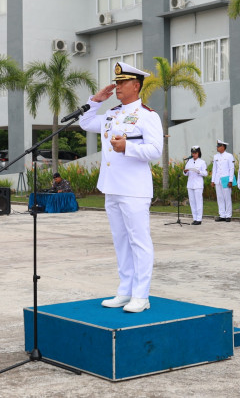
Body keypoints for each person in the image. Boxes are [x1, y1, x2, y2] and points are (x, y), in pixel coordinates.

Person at [79, 61, 163, 313]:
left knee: (139, 241)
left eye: (121, 83)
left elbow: (156, 150)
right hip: (112, 187)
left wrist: (128, 147)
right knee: (120, 241)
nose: (116, 87)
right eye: (115, 82)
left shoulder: (147, 115)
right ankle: (125, 290)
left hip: (134, 189)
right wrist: (95, 100)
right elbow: (85, 123)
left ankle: (142, 295)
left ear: (136, 85)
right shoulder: (113, 113)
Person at [211, 140, 235, 222]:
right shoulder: (216, 156)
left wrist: (231, 180)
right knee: (220, 198)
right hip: (218, 179)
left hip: (226, 179)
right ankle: (222, 215)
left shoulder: (229, 156)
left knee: (227, 198)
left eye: (219, 146)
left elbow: (231, 168)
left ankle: (228, 215)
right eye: (217, 146)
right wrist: (213, 180)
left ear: (223, 147)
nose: (217, 148)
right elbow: (214, 169)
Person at [183, 146, 208, 225]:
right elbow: (186, 174)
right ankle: (194, 218)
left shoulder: (202, 162)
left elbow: (206, 173)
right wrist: (185, 171)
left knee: (198, 202)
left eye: (195, 153)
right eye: (193, 153)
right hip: (190, 184)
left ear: (199, 153)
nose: (194, 154)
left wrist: (199, 172)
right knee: (192, 202)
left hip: (198, 184)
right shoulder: (189, 161)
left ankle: (199, 219)